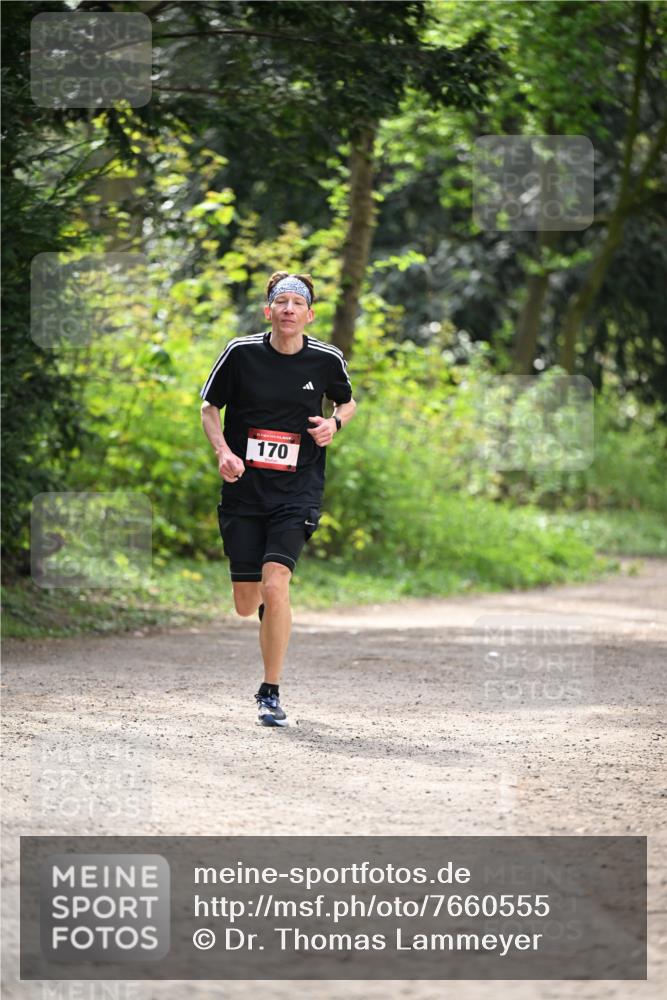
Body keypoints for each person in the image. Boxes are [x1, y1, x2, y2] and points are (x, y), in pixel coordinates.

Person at [200, 271, 357, 727]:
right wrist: (223, 451)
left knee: (276, 583)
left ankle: (270, 692)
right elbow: (210, 407)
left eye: (297, 303)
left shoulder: (326, 359)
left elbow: (347, 402)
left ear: (309, 314)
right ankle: (272, 608)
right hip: (244, 490)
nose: (288, 309)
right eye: (280, 302)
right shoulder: (241, 353)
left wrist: (335, 424)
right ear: (268, 310)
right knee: (247, 603)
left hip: (297, 490)